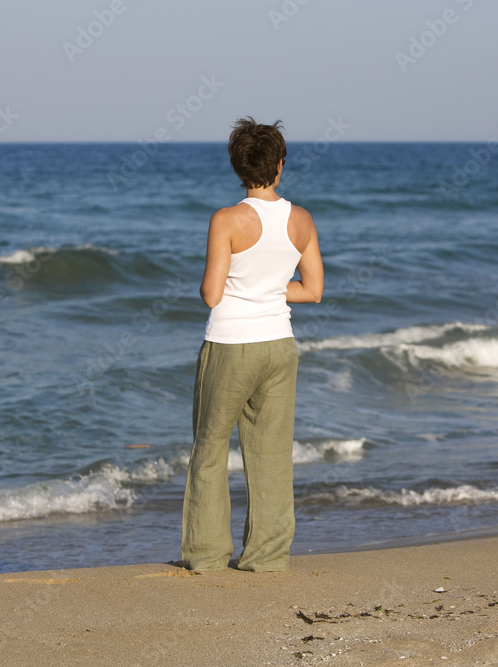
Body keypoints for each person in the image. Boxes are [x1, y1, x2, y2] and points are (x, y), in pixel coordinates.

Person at [182, 117, 324, 572]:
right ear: (279, 166)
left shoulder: (226, 219)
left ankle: (205, 556)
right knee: (271, 454)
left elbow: (211, 294)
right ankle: (266, 556)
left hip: (231, 344)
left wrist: (248, 284)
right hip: (280, 347)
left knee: (209, 450)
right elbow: (313, 290)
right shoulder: (301, 219)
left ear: (237, 167)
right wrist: (270, 286)